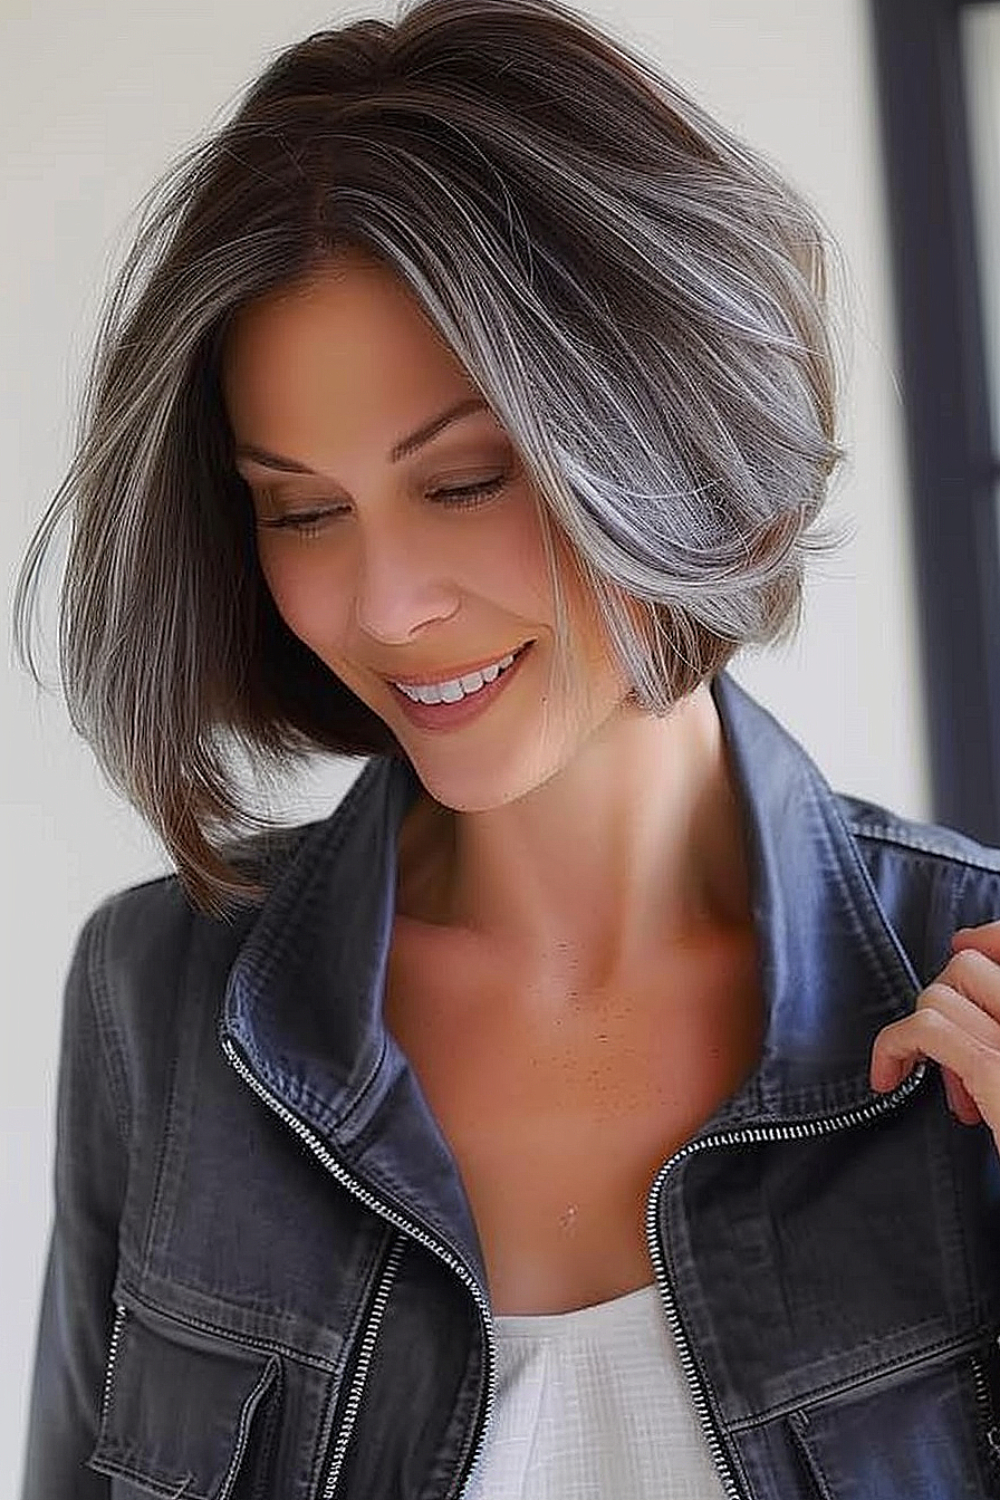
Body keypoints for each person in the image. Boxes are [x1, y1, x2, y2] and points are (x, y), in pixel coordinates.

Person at [14, 0, 1000, 1495]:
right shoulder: (160, 1006)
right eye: (300, 509)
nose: (386, 606)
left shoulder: (973, 977)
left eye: (466, 482)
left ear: (662, 433)